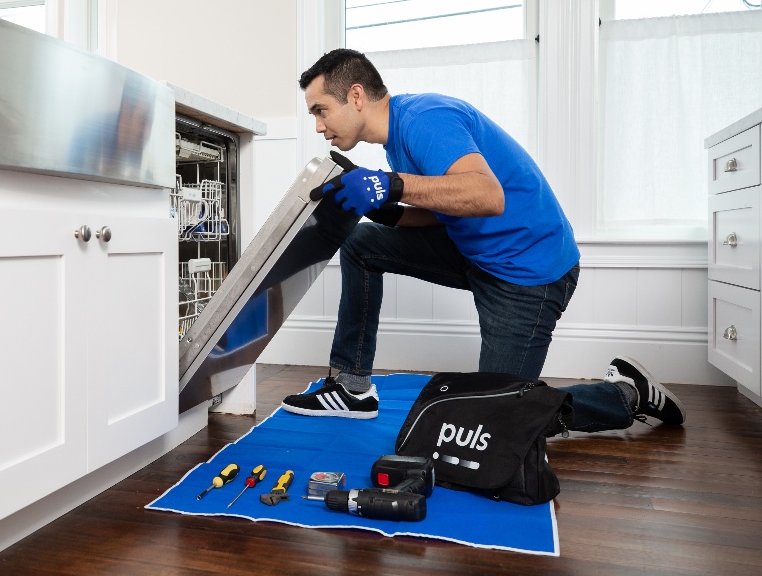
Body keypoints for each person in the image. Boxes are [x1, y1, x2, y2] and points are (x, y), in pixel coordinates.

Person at [280, 48, 685, 432]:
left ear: (355, 97)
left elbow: (487, 196)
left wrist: (391, 184)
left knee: (494, 424)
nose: (318, 125)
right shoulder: (396, 141)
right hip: (473, 252)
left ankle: (627, 394)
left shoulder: (425, 118)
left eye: (321, 110)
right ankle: (352, 387)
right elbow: (444, 207)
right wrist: (388, 208)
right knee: (363, 241)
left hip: (526, 273)